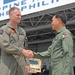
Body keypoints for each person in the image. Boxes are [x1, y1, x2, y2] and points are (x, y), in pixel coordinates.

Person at [0, 7, 31, 75]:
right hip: (8, 65)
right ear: (10, 15)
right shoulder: (4, 30)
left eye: (20, 15)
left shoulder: (22, 31)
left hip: (20, 66)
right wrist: (21, 51)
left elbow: (25, 47)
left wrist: (27, 63)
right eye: (17, 15)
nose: (20, 17)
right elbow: (5, 46)